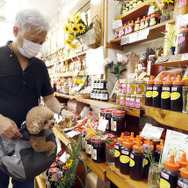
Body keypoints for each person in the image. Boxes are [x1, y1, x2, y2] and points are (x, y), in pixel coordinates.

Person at [0, 9, 75, 188]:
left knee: (25, 184)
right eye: (33, 41)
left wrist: (63, 111)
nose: (37, 46)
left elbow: (48, 98)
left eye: (41, 42)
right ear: (16, 31)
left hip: (28, 143)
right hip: (0, 139)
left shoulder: (40, 66)